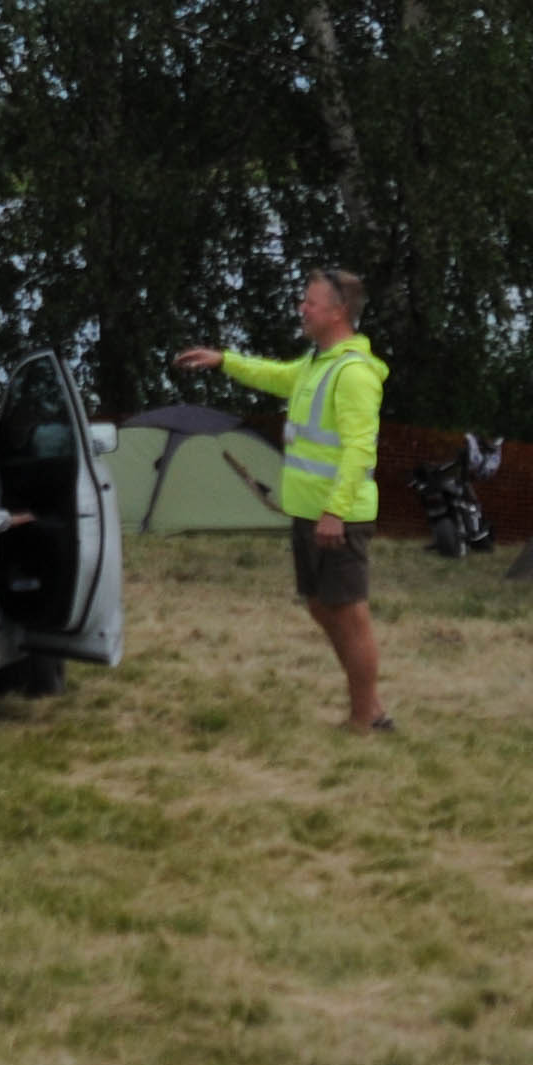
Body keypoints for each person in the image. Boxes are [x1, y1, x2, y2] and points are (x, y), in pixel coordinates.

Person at [176, 269, 392, 730]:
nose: (302, 309)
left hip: (338, 517)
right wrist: (224, 360)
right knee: (319, 605)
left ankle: (365, 719)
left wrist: (335, 511)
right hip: (309, 512)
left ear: (338, 311)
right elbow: (273, 374)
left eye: (310, 302)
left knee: (350, 615)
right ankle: (368, 705)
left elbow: (360, 449)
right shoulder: (316, 365)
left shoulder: (353, 373)